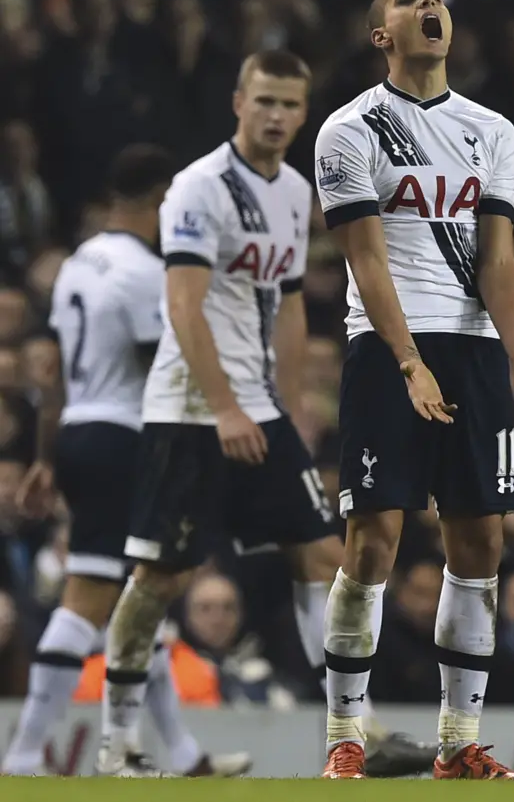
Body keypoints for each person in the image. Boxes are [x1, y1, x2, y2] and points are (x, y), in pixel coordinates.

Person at [97, 49, 435, 779]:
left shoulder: (291, 191)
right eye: (266, 102)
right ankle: (117, 743)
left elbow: (285, 302)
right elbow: (183, 305)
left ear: (302, 111)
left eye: (290, 104)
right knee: (162, 575)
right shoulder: (196, 188)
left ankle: (358, 734)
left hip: (256, 409)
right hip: (190, 410)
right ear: (238, 102)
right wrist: (224, 407)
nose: (277, 116)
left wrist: (283, 402)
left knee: (323, 556)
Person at [314, 0, 514, 780]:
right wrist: (406, 361)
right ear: (381, 34)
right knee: (374, 542)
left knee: (481, 542)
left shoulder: (491, 130)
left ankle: (456, 744)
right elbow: (366, 257)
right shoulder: (349, 129)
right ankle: (344, 739)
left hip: (470, 350)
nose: (428, 3)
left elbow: (497, 258)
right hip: (385, 345)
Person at [2, 145, 248, 778]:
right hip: (124, 439)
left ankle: (183, 752)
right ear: (159, 200)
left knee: (146, 600)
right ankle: (25, 755)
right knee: (88, 600)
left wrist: (46, 456)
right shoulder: (143, 272)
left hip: (83, 432)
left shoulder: (78, 265)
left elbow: (54, 370)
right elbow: (161, 363)